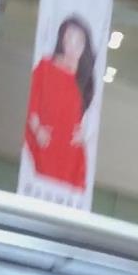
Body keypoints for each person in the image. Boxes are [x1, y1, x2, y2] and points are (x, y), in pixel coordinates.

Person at [25, 15, 97, 192]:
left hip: (71, 158)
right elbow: (31, 104)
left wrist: (85, 135)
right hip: (45, 146)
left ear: (85, 46)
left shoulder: (85, 79)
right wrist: (37, 129)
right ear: (62, 39)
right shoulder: (45, 67)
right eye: (69, 38)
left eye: (78, 41)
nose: (72, 45)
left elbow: (90, 117)